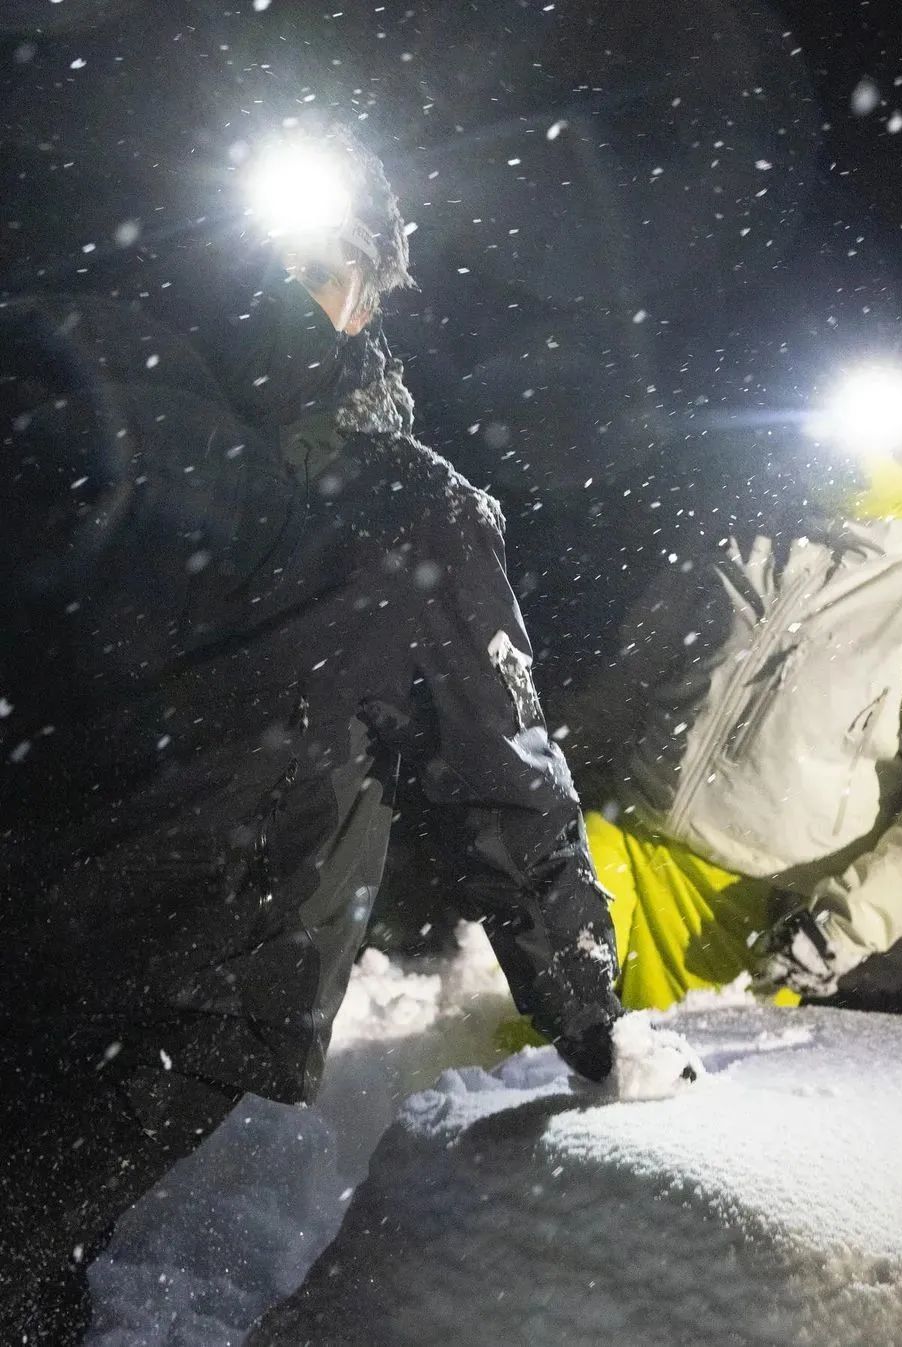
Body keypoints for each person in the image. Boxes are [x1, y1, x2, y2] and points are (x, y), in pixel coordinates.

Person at [0, 125, 622, 1343]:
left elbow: (502, 775)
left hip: (110, 956)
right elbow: (503, 777)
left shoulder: (76, 419)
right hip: (190, 980)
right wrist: (585, 1005)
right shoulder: (408, 504)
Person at [563, 325, 902, 1011]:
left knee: (648, 1109)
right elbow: (630, 681)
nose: (880, 456)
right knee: (515, 1044)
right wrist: (537, 767)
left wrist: (841, 927)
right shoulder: (744, 527)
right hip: (625, 840)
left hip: (754, 914)